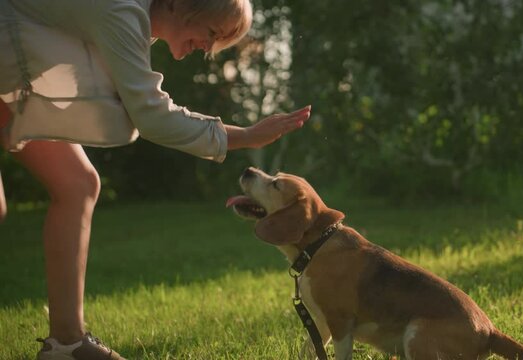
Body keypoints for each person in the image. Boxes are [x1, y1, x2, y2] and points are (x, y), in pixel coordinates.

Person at [0, 0, 310, 358]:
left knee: (77, 184)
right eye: (211, 33)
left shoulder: (131, 21)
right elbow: (152, 116)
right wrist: (247, 136)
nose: (208, 49)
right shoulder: (122, 11)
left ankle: (66, 344)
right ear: (181, 4)